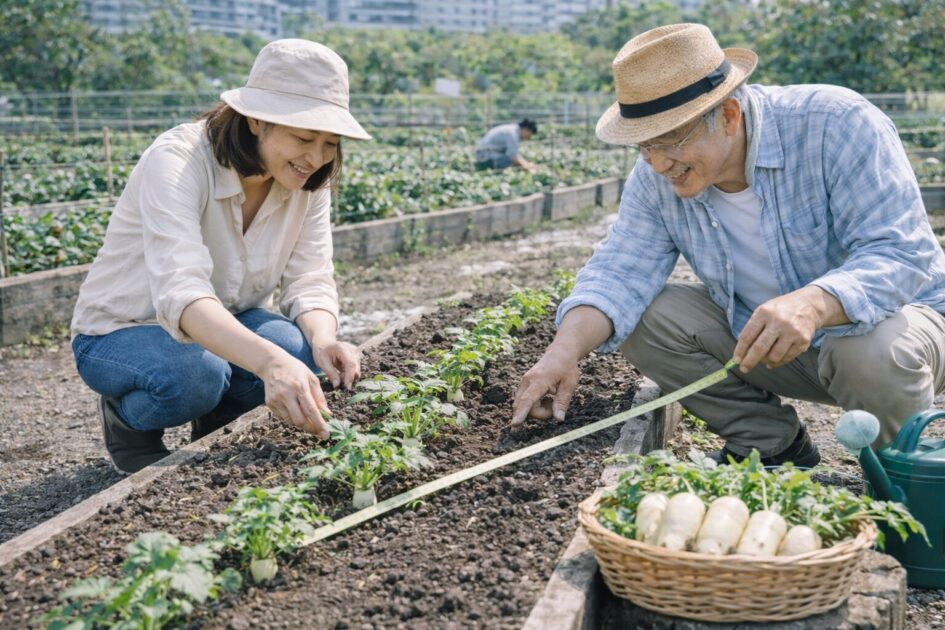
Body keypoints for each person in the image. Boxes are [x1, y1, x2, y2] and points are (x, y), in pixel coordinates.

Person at [511, 23, 945, 467]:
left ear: (731, 116)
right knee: (643, 316)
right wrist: (558, 356)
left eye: (669, 142)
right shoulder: (658, 176)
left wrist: (816, 303)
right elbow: (619, 272)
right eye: (643, 147)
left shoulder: (836, 124)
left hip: (898, 336)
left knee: (863, 347)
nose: (658, 164)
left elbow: (901, 251)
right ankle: (774, 443)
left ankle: (905, 482)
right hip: (773, 347)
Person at [70, 39, 372, 474]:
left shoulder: (307, 181)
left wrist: (325, 339)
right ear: (255, 120)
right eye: (304, 137)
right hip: (123, 329)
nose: (316, 157)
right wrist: (268, 363)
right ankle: (128, 424)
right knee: (199, 374)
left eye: (330, 143)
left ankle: (214, 427)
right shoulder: (178, 159)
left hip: (227, 322)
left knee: (298, 349)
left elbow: (310, 278)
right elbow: (183, 292)